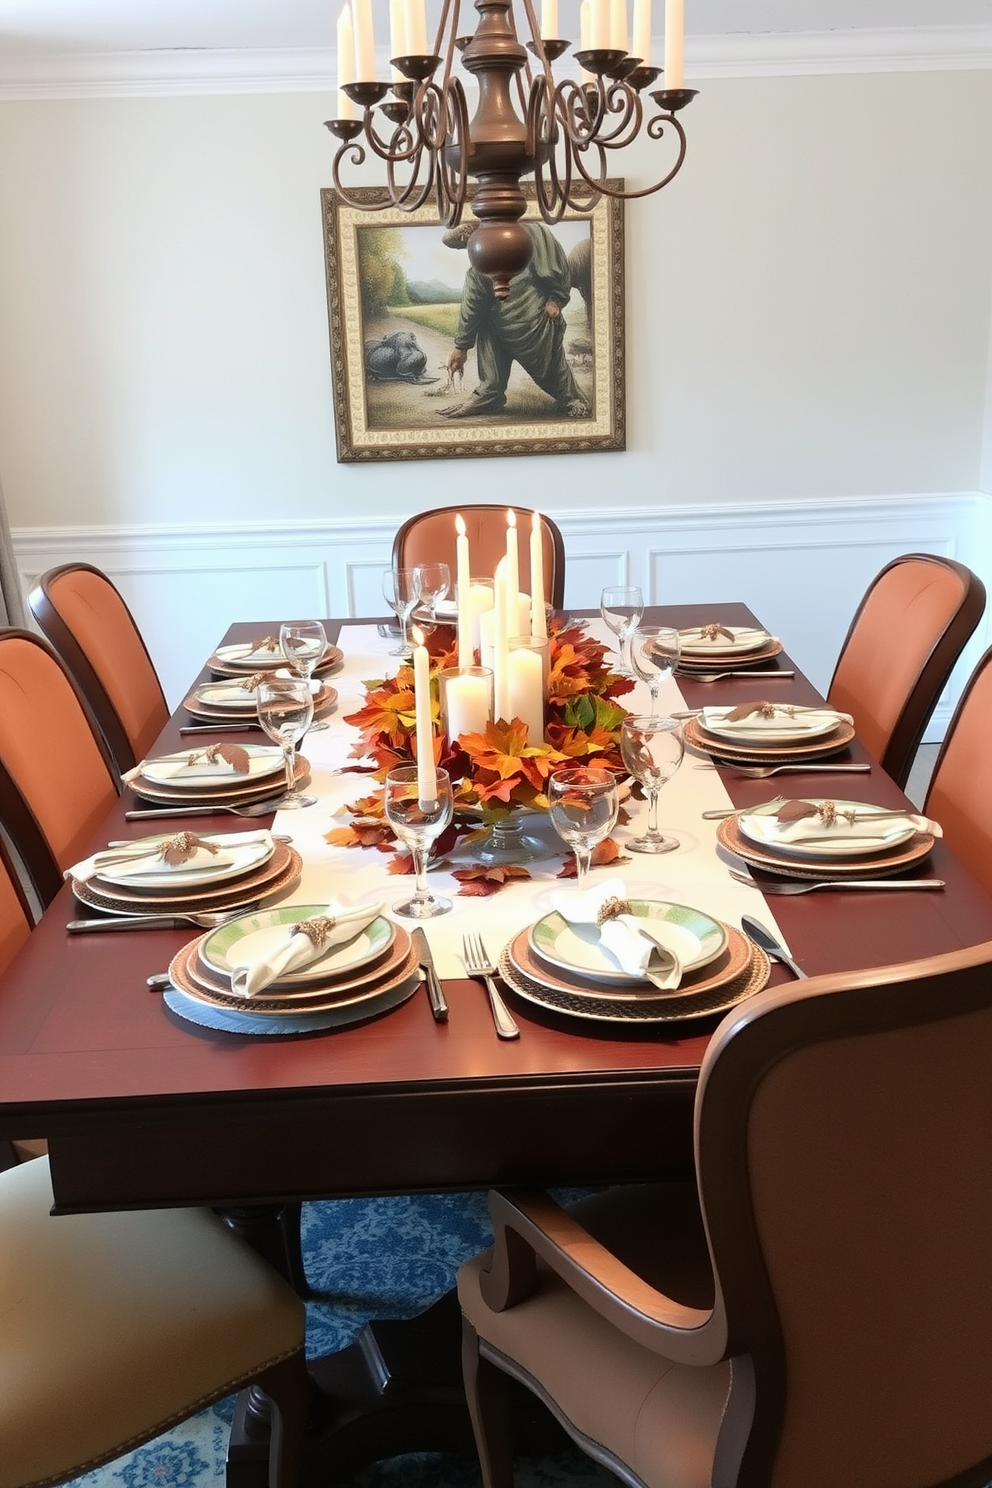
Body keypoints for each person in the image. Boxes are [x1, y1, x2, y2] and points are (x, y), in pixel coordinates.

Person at [440, 221, 589, 420]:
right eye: (465, 246)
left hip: (532, 319)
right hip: (497, 324)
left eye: (467, 242)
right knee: (486, 324)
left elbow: (556, 267)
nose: (469, 249)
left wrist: (557, 299)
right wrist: (461, 348)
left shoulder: (529, 233)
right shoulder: (476, 269)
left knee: (548, 365)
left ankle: (572, 399)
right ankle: (488, 396)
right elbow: (472, 305)